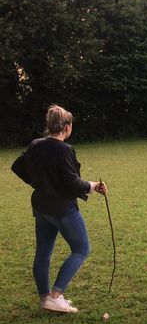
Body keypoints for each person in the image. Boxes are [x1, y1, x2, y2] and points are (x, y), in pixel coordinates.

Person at [11, 105, 107, 313]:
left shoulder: (36, 144)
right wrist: (94, 186)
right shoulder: (64, 149)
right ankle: (55, 296)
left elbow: (17, 166)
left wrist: (39, 183)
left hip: (41, 205)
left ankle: (46, 298)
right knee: (82, 249)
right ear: (66, 127)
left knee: (43, 252)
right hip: (62, 208)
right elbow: (72, 183)